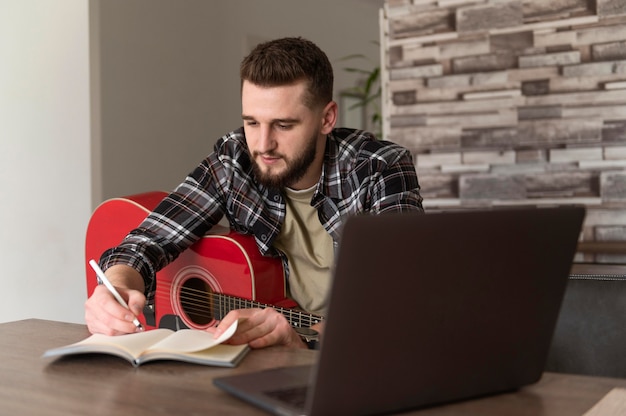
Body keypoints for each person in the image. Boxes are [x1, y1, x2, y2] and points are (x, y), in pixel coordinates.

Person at [85, 36, 423, 349]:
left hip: (351, 357)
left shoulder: (380, 169)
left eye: (284, 125)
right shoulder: (235, 159)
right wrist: (115, 286)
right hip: (258, 360)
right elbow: (148, 240)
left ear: (327, 118)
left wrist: (304, 339)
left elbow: (399, 304)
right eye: (252, 122)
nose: (263, 145)